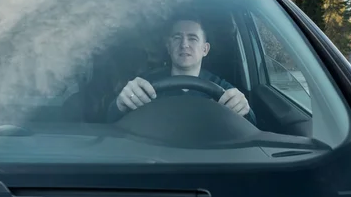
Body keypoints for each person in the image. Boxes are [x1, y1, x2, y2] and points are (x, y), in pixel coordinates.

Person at [105, 18, 257, 125]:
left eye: (192, 38)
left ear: (205, 49)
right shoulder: (144, 85)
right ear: (168, 46)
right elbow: (110, 122)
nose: (184, 44)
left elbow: (251, 127)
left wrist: (245, 111)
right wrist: (120, 103)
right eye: (177, 37)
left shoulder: (222, 90)